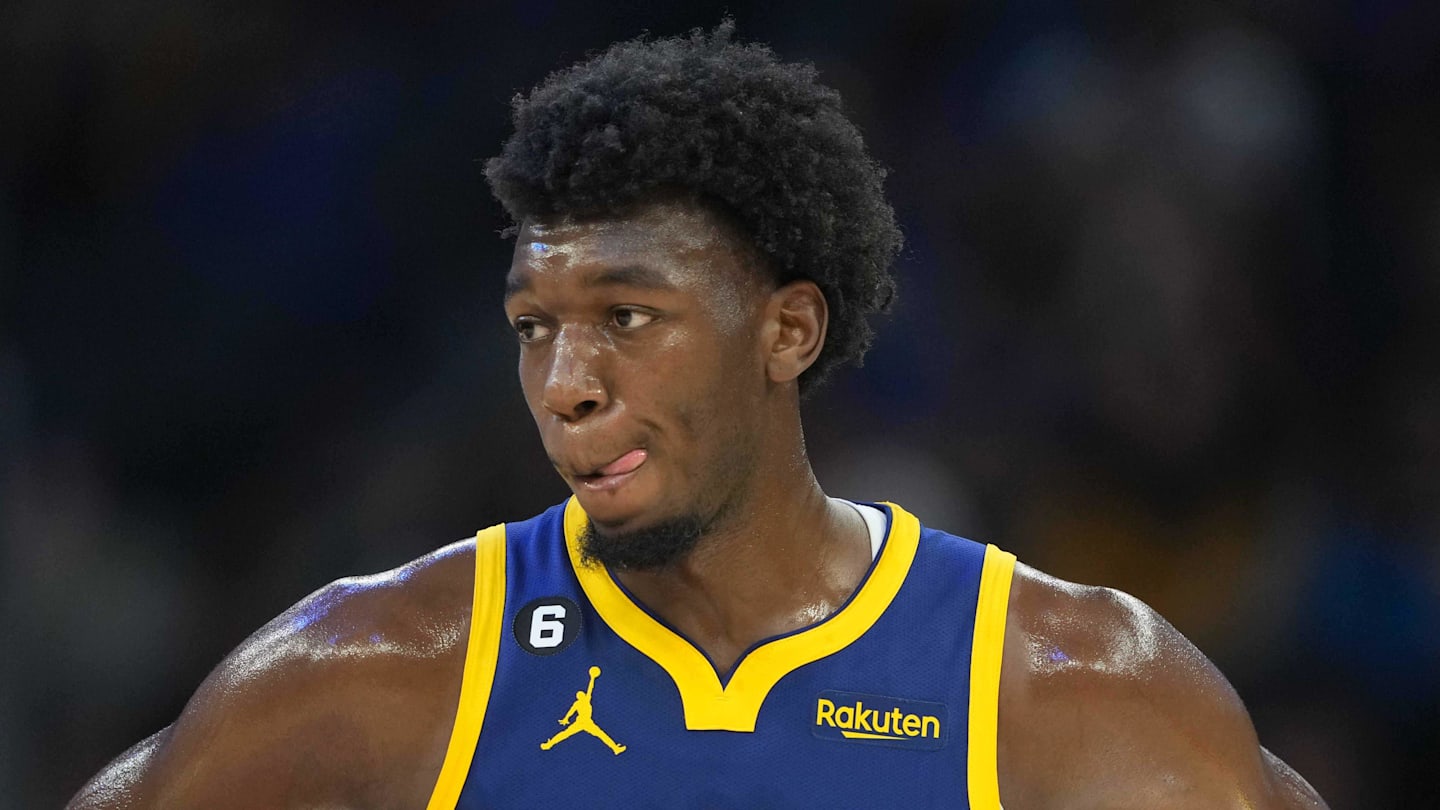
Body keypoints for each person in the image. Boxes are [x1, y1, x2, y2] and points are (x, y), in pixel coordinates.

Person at [68, 23, 1328, 809]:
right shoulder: (386, 672)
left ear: (788, 331)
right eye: (533, 326)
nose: (566, 381)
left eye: (627, 316)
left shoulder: (1070, 695)